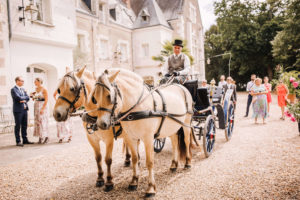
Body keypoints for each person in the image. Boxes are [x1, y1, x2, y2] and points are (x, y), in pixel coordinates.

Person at [11, 76, 33, 146]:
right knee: (18, 126)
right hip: (18, 110)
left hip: (24, 109)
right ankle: (18, 141)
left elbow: (28, 98)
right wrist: (24, 98)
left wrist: (24, 98)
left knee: (24, 125)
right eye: (22, 81)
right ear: (17, 81)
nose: (23, 82)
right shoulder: (13, 90)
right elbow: (18, 98)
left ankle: (25, 140)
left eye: (23, 81)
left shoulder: (23, 89)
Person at [31, 78, 49, 144]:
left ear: (39, 81)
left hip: (42, 106)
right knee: (38, 122)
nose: (34, 82)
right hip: (36, 106)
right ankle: (40, 137)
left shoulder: (44, 89)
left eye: (35, 81)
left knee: (43, 122)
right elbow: (33, 98)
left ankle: (46, 137)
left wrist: (42, 108)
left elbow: (46, 100)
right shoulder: (35, 90)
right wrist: (32, 96)